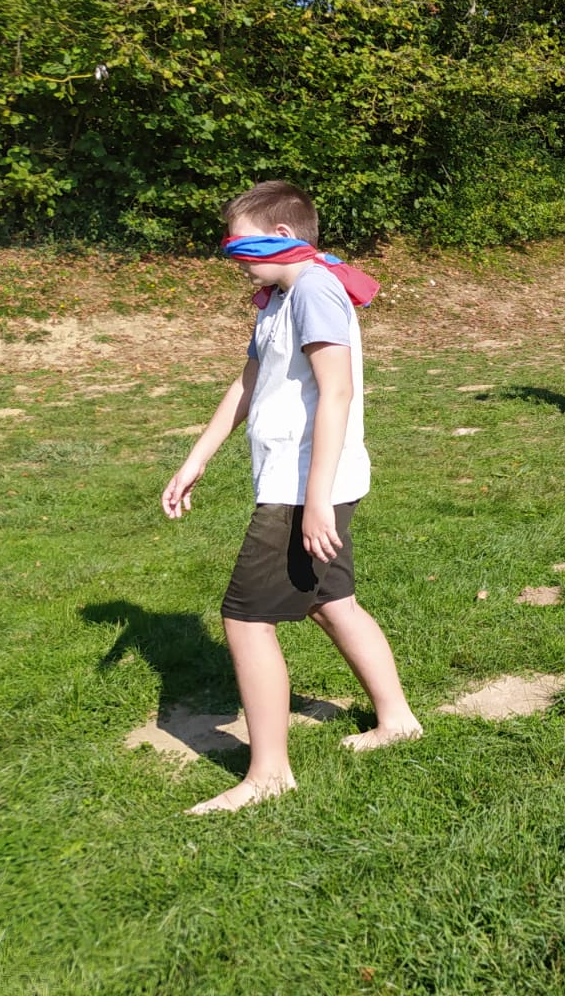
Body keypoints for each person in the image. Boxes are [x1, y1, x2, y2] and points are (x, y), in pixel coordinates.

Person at [161, 181, 422, 815]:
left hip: (303, 488)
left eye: (240, 246)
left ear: (282, 237)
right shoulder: (279, 297)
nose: (233, 259)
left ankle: (269, 774)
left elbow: (337, 392)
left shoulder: (314, 290)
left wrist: (316, 499)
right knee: (331, 602)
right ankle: (397, 721)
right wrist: (197, 458)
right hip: (299, 483)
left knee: (246, 618)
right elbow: (248, 382)